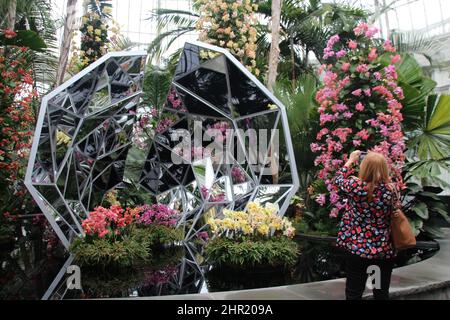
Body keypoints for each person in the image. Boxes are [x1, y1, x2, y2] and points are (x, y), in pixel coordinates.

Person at [333, 150, 400, 300]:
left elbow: (337, 180)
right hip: (383, 251)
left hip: (358, 250)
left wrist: (350, 161)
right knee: (381, 293)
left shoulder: (356, 187)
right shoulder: (391, 189)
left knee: (354, 293)